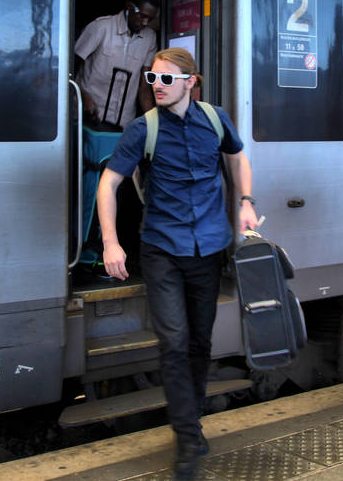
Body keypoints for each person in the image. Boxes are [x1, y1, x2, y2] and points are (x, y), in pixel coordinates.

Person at [96, 47, 259, 480]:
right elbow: (108, 184)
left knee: (199, 344)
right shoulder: (142, 129)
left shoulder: (215, 119)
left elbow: (237, 156)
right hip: (162, 249)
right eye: (152, 78)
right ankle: (187, 438)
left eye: (167, 79)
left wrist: (245, 201)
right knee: (173, 342)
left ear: (191, 82)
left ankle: (192, 423)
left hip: (208, 249)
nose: (158, 86)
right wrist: (111, 243)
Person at [75, 0, 159, 128]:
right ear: (129, 7)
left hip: (124, 122)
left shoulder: (150, 38)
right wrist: (82, 95)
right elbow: (68, 69)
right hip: (89, 116)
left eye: (150, 19)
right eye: (142, 16)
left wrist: (154, 122)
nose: (145, 23)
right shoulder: (100, 27)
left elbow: (144, 87)